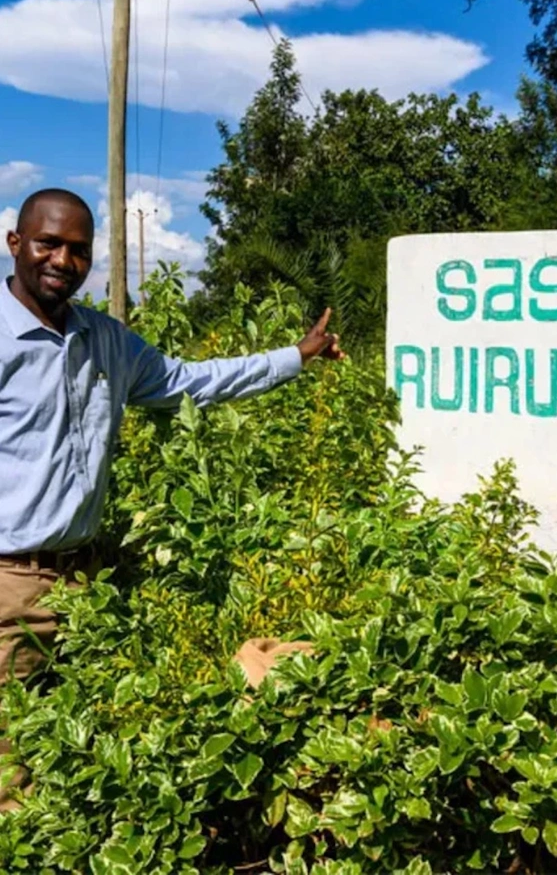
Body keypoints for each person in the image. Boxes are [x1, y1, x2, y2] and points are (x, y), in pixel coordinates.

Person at [0, 188, 342, 804]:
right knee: (9, 773)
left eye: (78, 250)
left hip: (86, 585)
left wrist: (296, 356)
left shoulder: (106, 339)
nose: (62, 260)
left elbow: (189, 381)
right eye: (48, 243)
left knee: (77, 759)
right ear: (16, 243)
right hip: (8, 587)